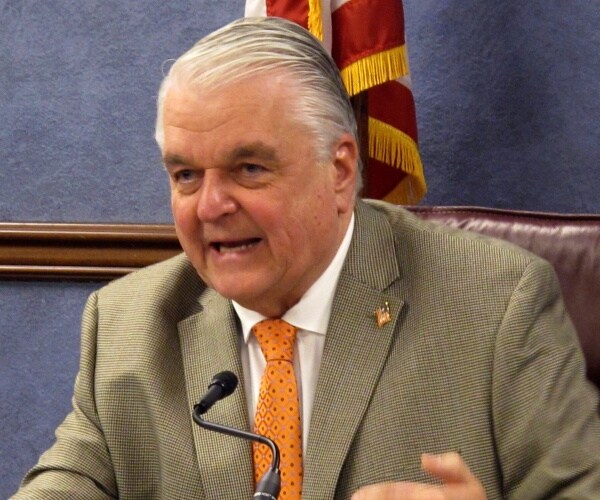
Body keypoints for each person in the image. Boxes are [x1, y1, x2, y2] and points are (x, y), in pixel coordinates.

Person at [13, 16, 600, 499]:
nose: (211, 206)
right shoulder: (127, 324)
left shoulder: (497, 302)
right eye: (186, 175)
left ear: (340, 170)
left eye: (249, 168)